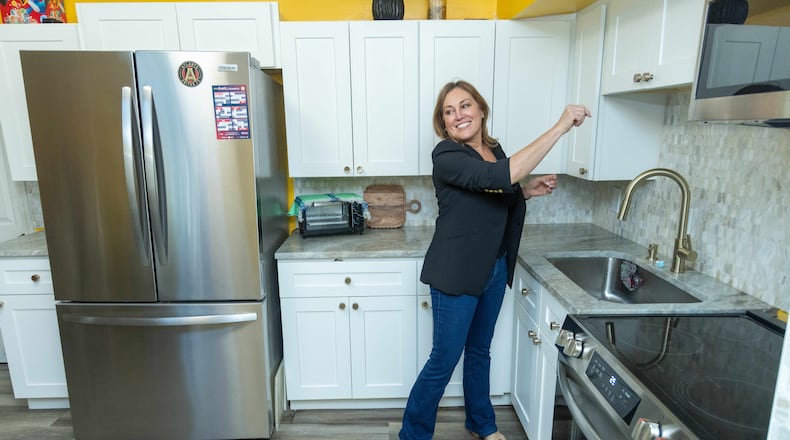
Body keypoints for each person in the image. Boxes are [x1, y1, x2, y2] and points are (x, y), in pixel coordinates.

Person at [399, 80, 590, 440]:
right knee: (443, 361)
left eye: (465, 105)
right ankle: (412, 434)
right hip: (456, 272)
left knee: (479, 351)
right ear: (443, 123)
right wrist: (561, 127)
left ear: (481, 109)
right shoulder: (446, 155)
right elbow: (496, 178)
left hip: (494, 266)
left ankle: (481, 424)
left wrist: (525, 192)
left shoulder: (494, 148)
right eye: (449, 111)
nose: (459, 115)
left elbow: (496, 193)